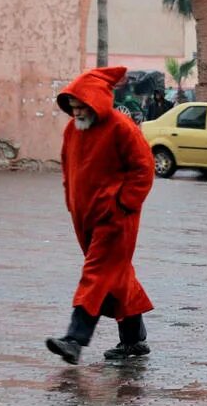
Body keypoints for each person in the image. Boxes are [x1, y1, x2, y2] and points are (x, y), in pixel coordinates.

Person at [46, 66, 156, 364]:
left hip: (116, 219)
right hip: (85, 218)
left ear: (97, 102)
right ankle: (134, 340)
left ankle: (74, 340)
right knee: (117, 276)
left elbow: (143, 169)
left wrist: (123, 204)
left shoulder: (121, 127)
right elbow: (68, 167)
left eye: (82, 106)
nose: (77, 112)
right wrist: (71, 199)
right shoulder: (73, 130)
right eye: (74, 107)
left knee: (95, 274)